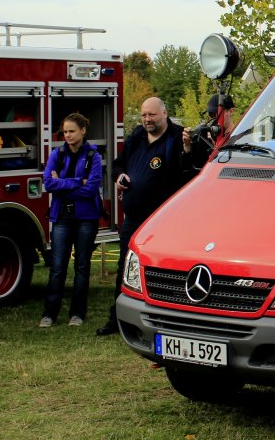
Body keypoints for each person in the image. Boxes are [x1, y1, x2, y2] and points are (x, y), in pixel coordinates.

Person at [96, 97, 193, 336]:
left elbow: (188, 173)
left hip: (163, 221)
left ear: (164, 113)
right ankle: (117, 319)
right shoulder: (137, 136)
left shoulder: (177, 137)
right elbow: (118, 164)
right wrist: (119, 177)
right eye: (144, 115)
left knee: (163, 271)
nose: (147, 120)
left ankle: (166, 320)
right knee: (124, 267)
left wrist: (188, 150)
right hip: (133, 218)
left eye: (152, 115)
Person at [39, 113, 103, 328]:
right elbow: (48, 184)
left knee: (82, 267)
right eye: (65, 132)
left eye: (71, 131)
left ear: (83, 130)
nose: (67, 135)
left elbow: (91, 189)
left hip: (86, 218)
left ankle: (77, 314)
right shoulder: (57, 154)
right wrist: (77, 181)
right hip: (62, 218)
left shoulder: (94, 156)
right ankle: (49, 314)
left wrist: (63, 185)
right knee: (57, 267)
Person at [184, 93, 235, 170]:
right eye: (211, 115)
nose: (214, 119)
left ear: (230, 111)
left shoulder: (239, 139)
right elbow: (190, 169)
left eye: (216, 114)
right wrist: (187, 146)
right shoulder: (208, 137)